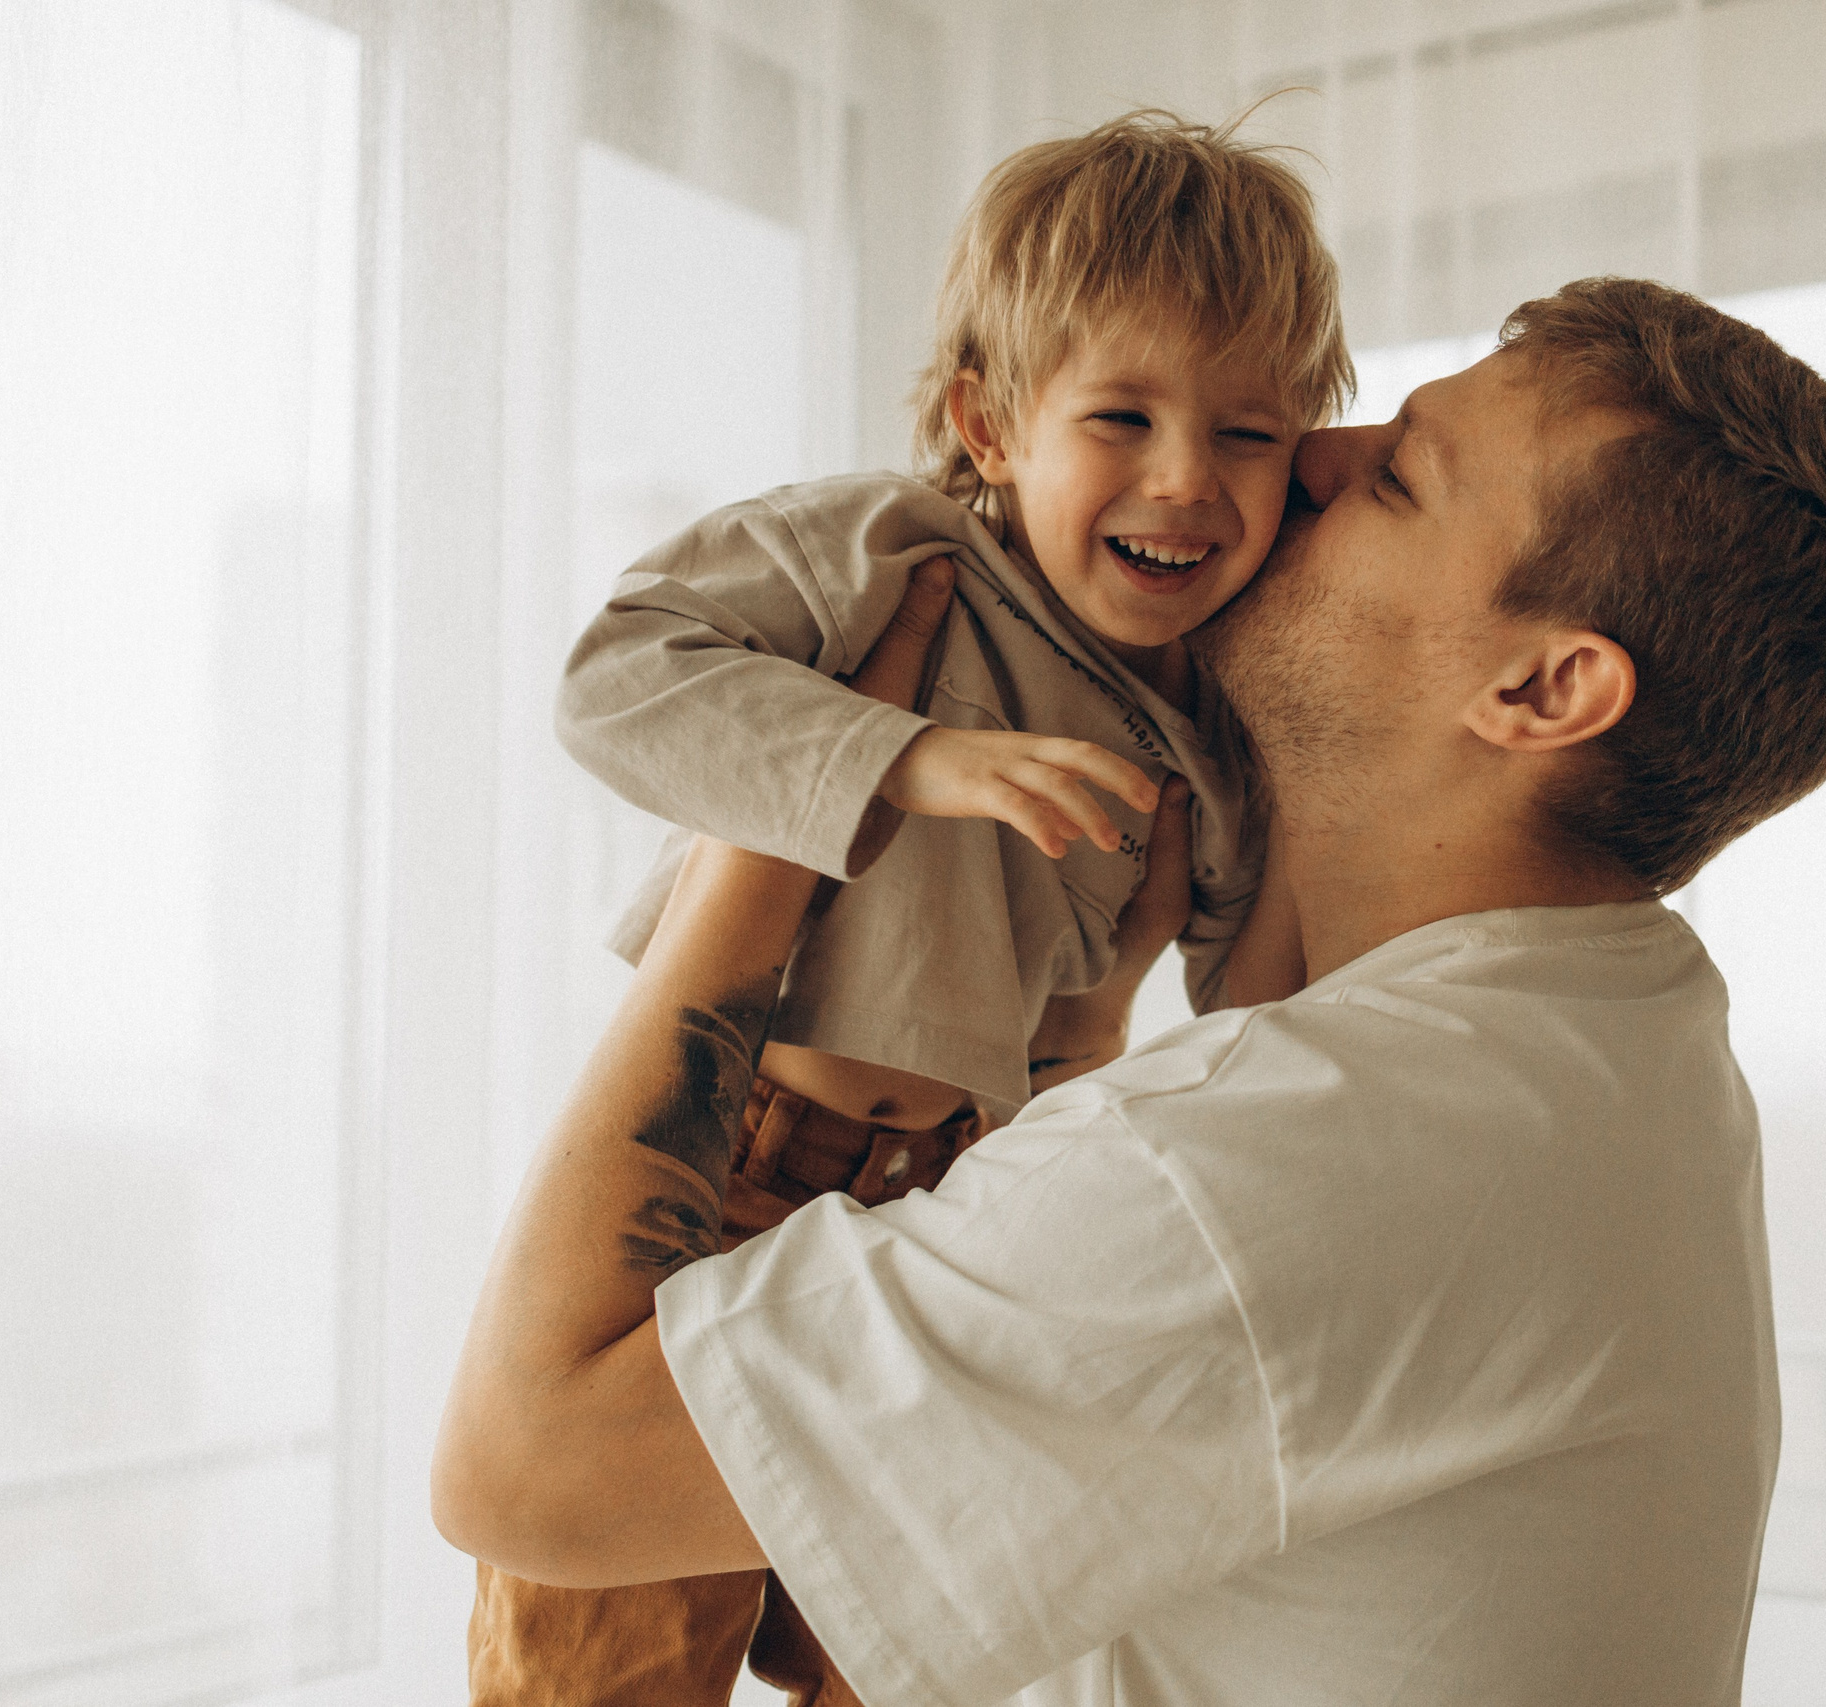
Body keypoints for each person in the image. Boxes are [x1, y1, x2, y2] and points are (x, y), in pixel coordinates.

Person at [435, 276, 1826, 1707]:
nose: (1306, 461)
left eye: (1399, 479)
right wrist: (1082, 1038)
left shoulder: (1293, 1162)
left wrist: (777, 822)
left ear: (1543, 689)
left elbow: (522, 1472)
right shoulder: (1615, 1051)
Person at [472, 111, 1350, 1703]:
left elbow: (1264, 996)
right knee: (606, 1663)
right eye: (1124, 416)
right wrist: (908, 757)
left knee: (908, 1658)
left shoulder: (1212, 729)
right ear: (990, 422)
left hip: (956, 1216)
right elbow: (614, 681)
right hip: (726, 1171)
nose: (1185, 480)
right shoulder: (888, 550)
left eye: (1249, 434)